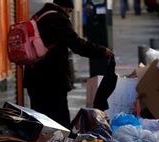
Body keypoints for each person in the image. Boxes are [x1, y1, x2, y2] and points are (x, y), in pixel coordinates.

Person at [23, 0, 113, 129]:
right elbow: (77, 44)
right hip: (51, 79)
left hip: (34, 77)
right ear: (65, 8)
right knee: (59, 121)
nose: (70, 15)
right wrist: (102, 51)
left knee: (39, 119)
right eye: (70, 11)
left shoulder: (38, 16)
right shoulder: (58, 19)